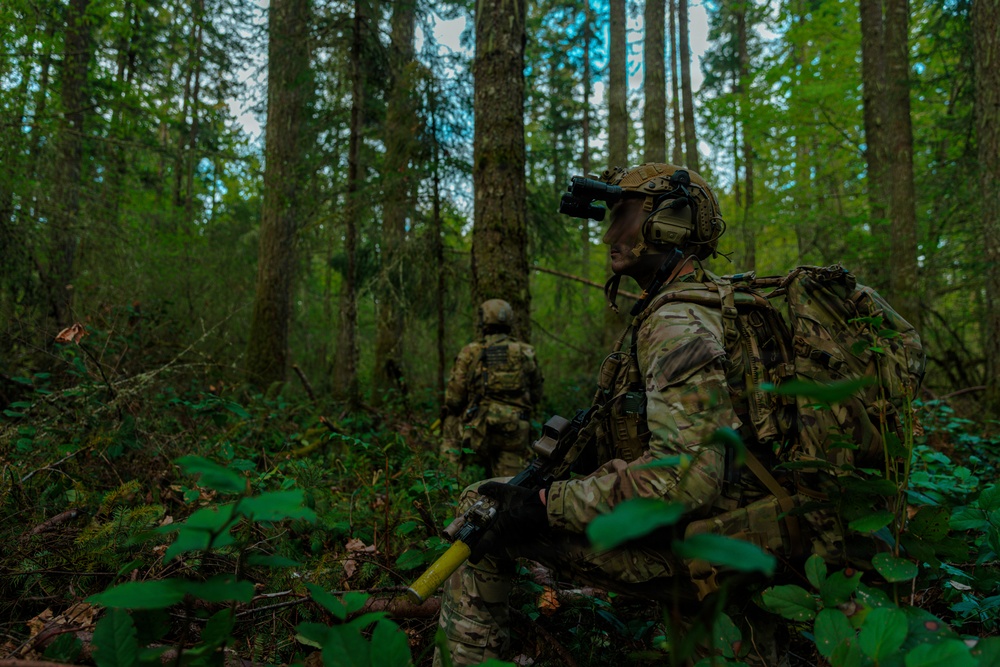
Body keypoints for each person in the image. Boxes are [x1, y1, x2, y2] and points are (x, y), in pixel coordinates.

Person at [440, 299, 544, 478]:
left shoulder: (470, 352)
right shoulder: (526, 352)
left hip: (478, 433)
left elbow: (454, 399)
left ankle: (449, 482)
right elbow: (536, 395)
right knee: (511, 487)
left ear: (483, 320)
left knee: (450, 423)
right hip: (514, 431)